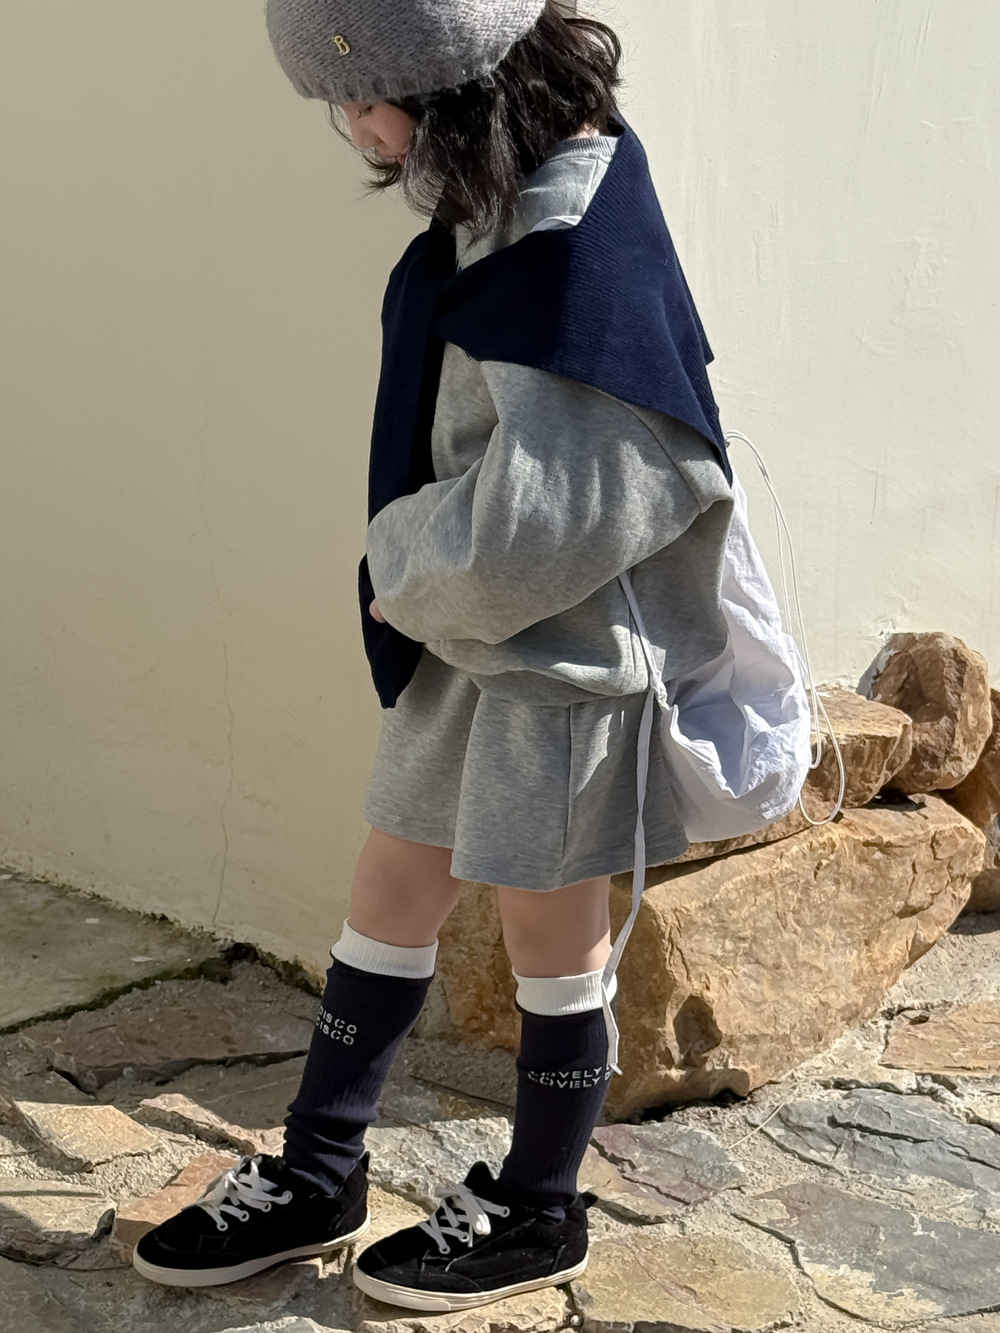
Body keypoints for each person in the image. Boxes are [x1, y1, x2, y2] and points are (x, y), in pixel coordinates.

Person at [132, 0, 736, 1315]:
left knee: (549, 932)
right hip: (471, 632)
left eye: (361, 100)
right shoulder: (506, 206)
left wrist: (399, 564)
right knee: (391, 884)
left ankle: (541, 1204)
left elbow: (579, 498)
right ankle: (321, 1170)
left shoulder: (572, 236)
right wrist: (422, 582)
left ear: (456, 89)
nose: (355, 130)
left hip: (557, 655)